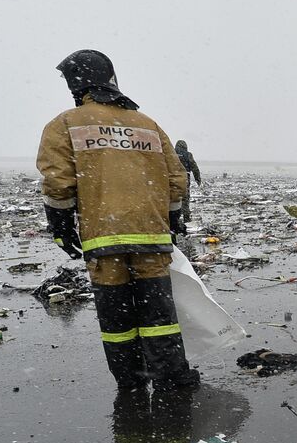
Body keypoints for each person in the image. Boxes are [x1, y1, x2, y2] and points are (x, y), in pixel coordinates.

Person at [37, 49, 198, 390]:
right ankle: (173, 378)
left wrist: (61, 227)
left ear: (76, 85)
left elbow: (57, 181)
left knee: (117, 318)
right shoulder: (148, 124)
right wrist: (170, 220)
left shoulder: (65, 124)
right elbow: (175, 178)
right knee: (159, 316)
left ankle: (131, 382)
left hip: (102, 239)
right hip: (151, 237)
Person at [174, 140, 202, 222]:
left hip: (173, 177)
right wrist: (198, 179)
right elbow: (194, 167)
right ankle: (186, 218)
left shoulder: (172, 153)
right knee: (185, 198)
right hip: (185, 177)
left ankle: (174, 218)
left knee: (173, 198)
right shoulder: (188, 155)